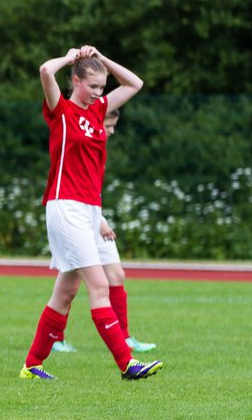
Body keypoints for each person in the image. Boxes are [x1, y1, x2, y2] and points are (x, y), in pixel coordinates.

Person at [21, 47, 162, 382]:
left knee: (65, 292)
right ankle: (128, 364)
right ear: (75, 81)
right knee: (99, 285)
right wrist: (70, 57)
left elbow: (135, 83)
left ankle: (32, 365)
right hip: (65, 205)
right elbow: (44, 70)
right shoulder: (62, 110)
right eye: (93, 86)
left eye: (102, 87)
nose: (99, 93)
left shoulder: (99, 110)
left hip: (88, 210)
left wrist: (102, 58)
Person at [48, 106, 156, 354]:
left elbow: (90, 190)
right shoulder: (74, 139)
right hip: (72, 216)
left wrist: (100, 219)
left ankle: (125, 337)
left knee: (116, 275)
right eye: (108, 125)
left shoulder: (99, 147)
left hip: (93, 216)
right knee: (71, 286)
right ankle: (54, 340)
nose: (111, 131)